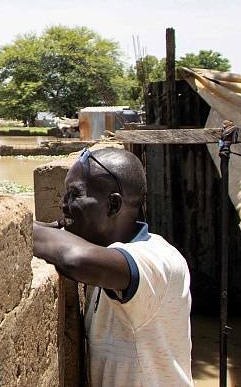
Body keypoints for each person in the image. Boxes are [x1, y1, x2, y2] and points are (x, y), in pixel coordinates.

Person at [32, 147, 192, 386]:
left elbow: (75, 259)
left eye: (75, 195)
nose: (63, 205)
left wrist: (14, 226)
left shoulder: (157, 259)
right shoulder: (110, 252)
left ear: (113, 205)